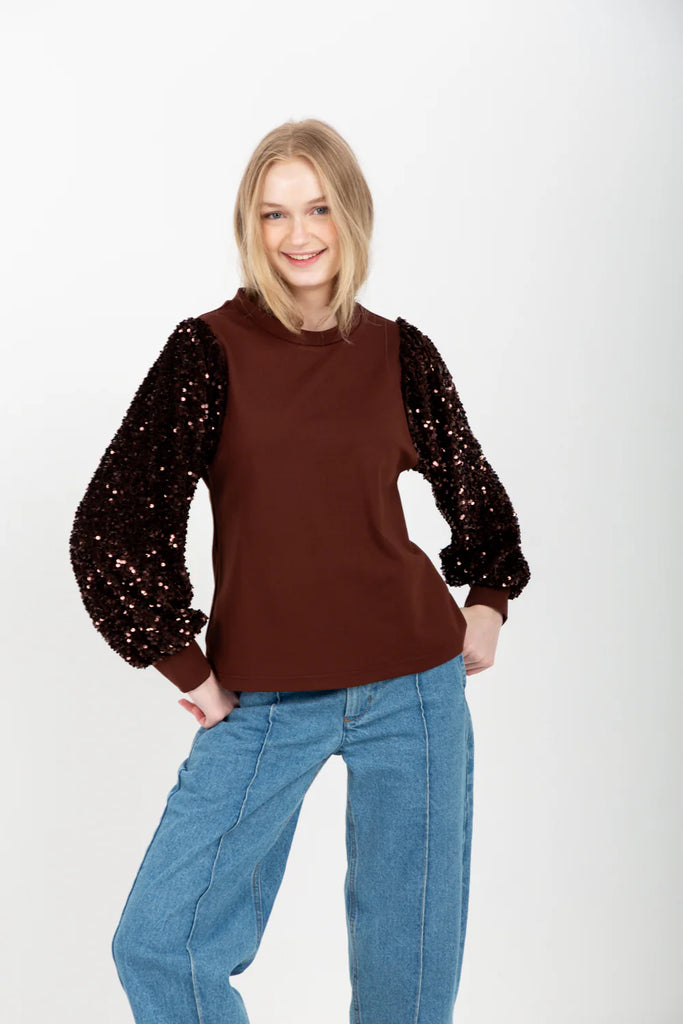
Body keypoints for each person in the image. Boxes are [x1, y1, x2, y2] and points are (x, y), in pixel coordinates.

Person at [69, 117, 531, 1024]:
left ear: (350, 214)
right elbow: (113, 525)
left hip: (416, 689)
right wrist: (184, 666)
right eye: (273, 213)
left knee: (408, 983)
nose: (298, 234)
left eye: (317, 208)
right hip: (266, 698)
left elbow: (471, 485)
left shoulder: (399, 351)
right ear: (251, 226)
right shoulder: (207, 351)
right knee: (160, 944)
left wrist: (486, 599)